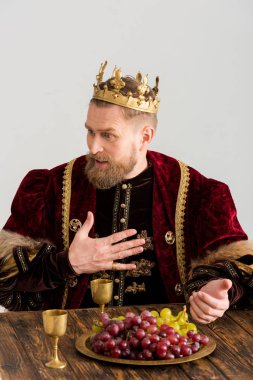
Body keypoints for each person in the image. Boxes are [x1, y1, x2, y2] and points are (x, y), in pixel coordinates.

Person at [0, 61, 252, 323]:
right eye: (90, 131)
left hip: (166, 344)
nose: (94, 146)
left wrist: (220, 292)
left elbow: (238, 268)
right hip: (69, 343)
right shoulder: (50, 186)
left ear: (145, 137)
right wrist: (68, 263)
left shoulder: (199, 193)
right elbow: (5, 273)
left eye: (108, 135)